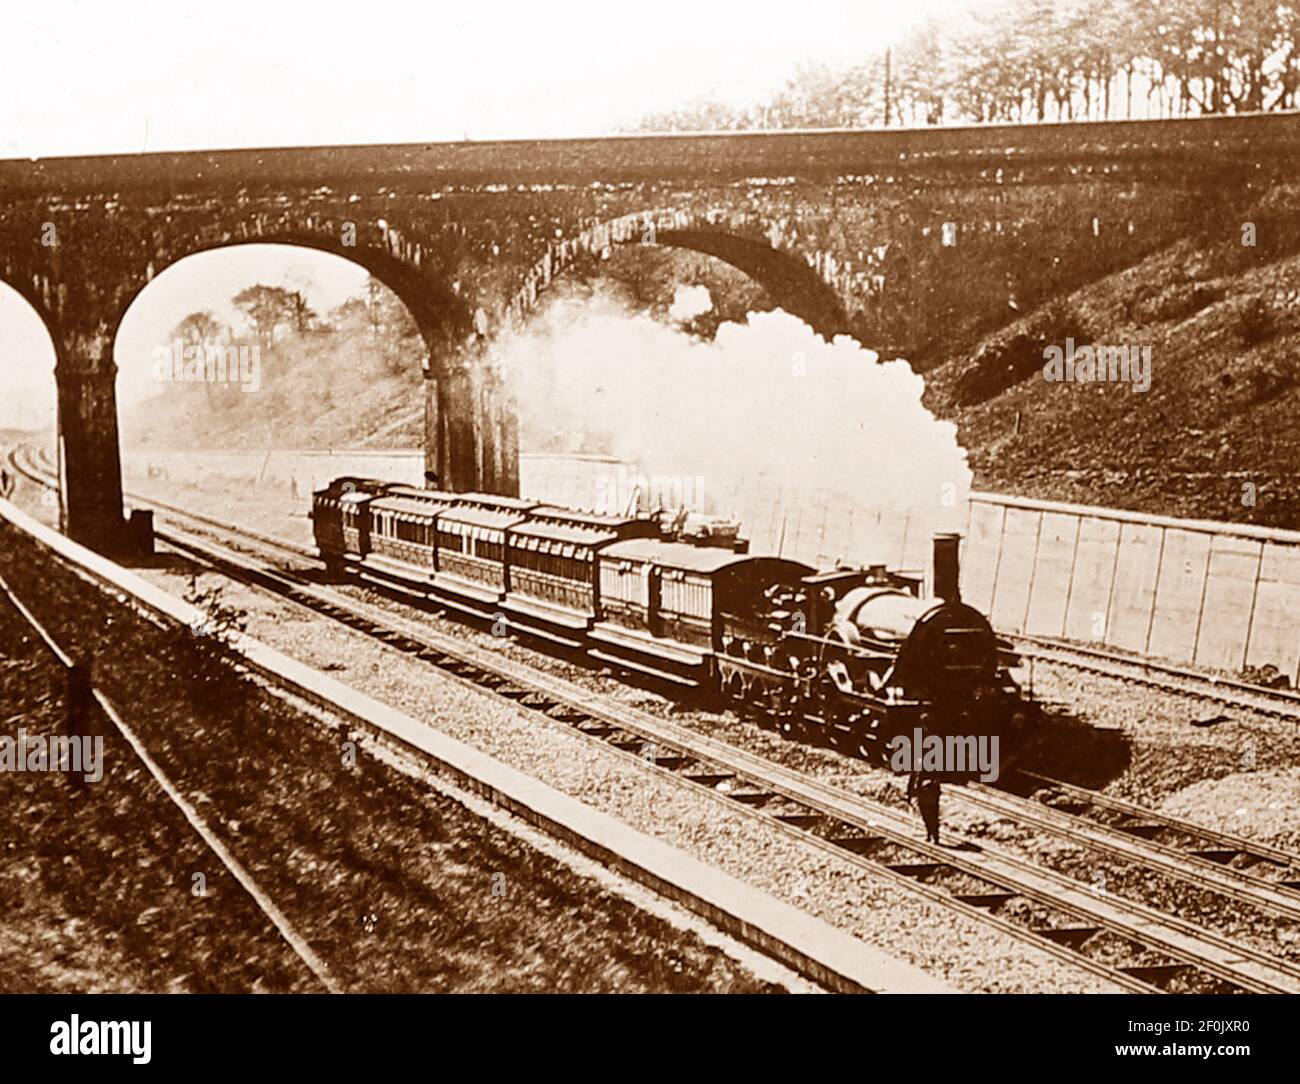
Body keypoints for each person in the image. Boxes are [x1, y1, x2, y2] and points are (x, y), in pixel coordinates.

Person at [908, 771, 942, 845]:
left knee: (933, 816)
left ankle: (935, 837)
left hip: (931, 795)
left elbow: (937, 778)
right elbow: (912, 779)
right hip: (921, 795)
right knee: (925, 816)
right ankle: (929, 834)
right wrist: (910, 794)